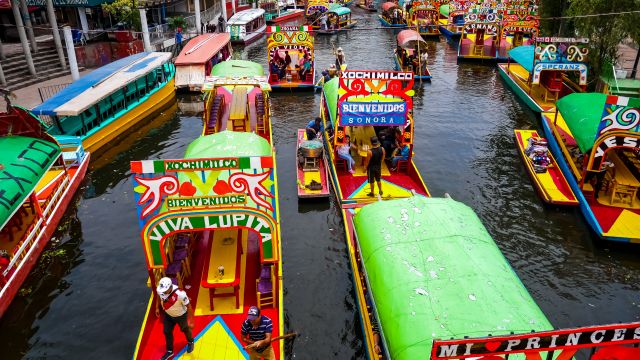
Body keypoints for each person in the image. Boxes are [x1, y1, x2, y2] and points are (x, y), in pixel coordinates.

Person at [155, 277, 194, 360]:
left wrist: (191, 321)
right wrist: (157, 308)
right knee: (166, 331)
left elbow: (189, 306)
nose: (163, 292)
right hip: (168, 315)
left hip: (181, 316)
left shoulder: (180, 294)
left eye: (165, 291)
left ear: (170, 287)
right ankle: (169, 351)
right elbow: (158, 296)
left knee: (185, 329)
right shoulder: (161, 290)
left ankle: (190, 341)